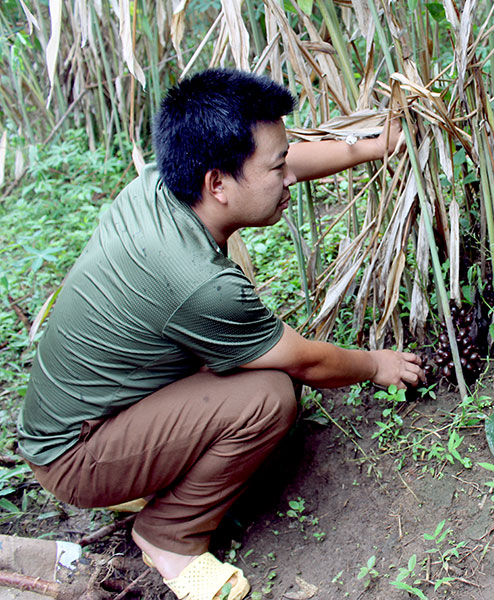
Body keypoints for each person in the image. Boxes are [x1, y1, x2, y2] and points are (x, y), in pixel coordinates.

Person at [17, 68, 424, 600]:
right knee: (268, 395)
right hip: (75, 455)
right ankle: (169, 535)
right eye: (276, 167)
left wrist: (375, 146)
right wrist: (376, 365)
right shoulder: (199, 284)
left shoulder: (160, 186)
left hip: (91, 414)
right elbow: (304, 362)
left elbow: (283, 162)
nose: (289, 177)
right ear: (217, 183)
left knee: (243, 369)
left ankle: (152, 471)